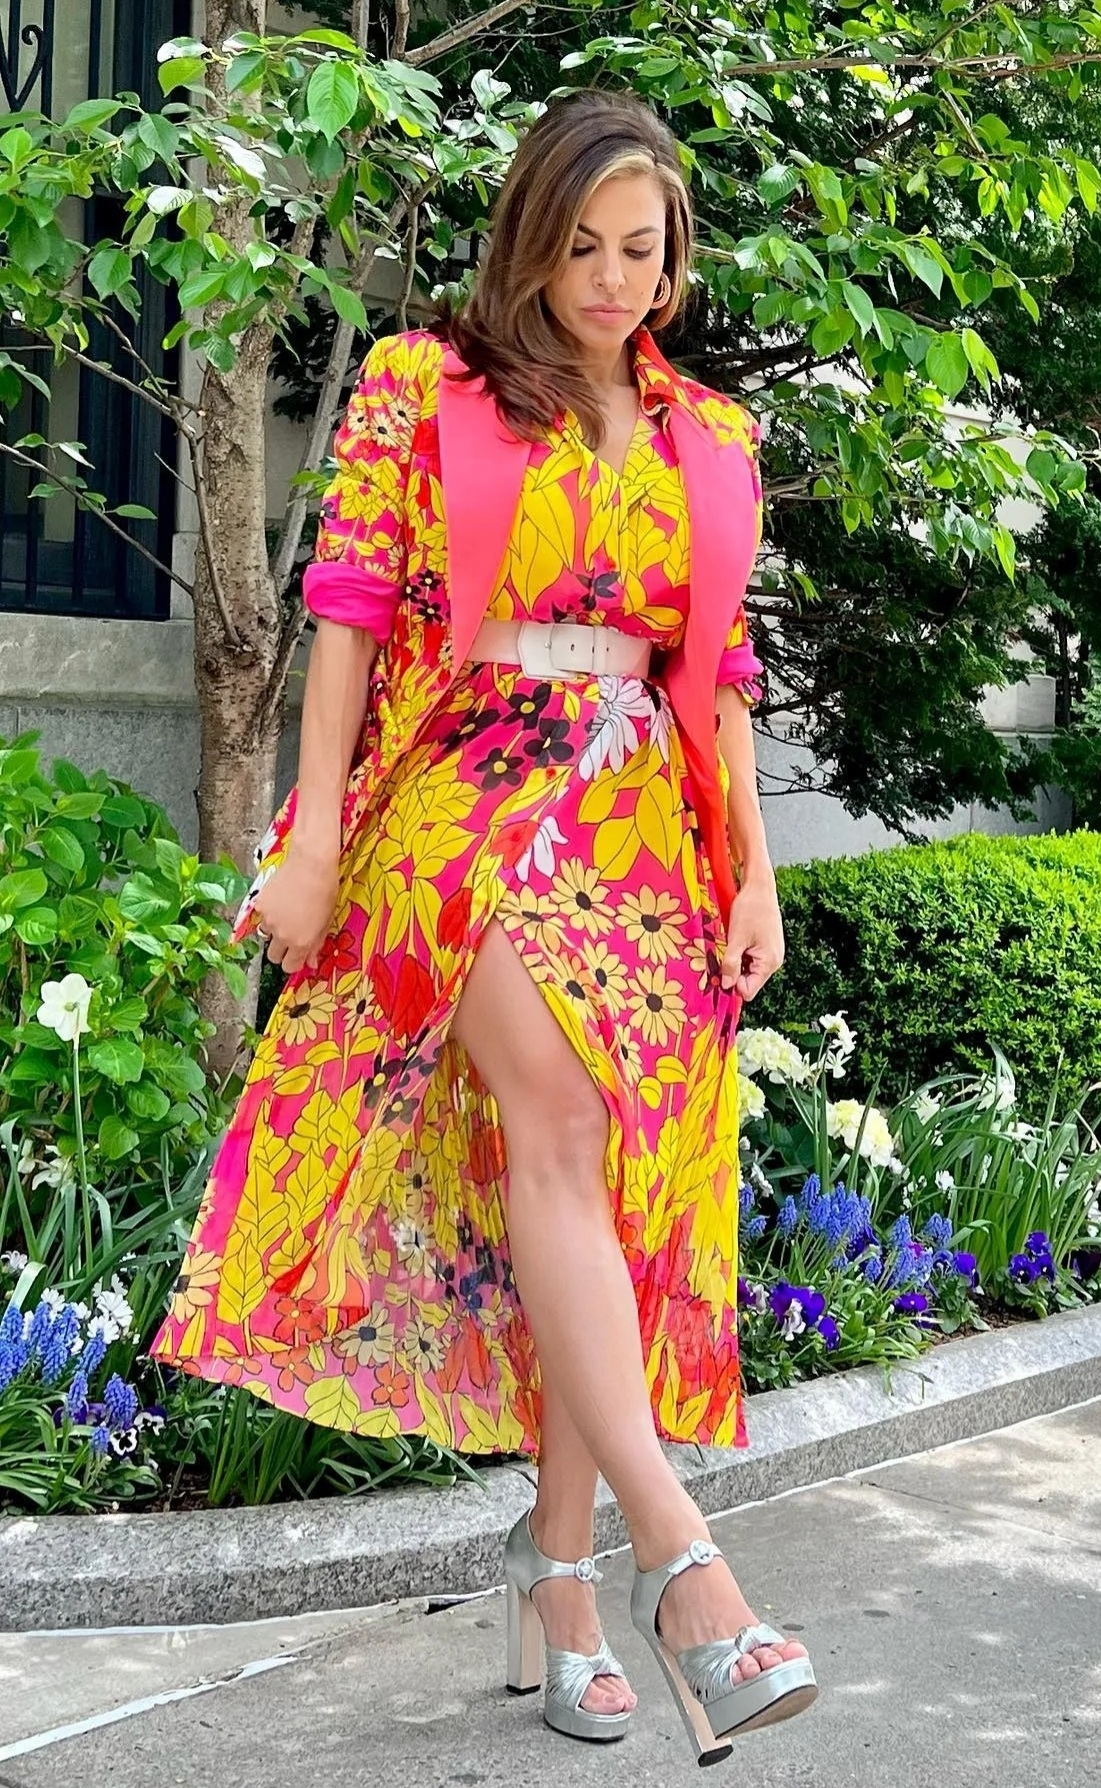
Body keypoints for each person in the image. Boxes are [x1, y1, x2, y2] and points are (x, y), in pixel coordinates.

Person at [150, 89, 816, 1764]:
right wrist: (309, 841)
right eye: (581, 244)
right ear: (530, 239)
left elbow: (721, 672)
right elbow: (352, 616)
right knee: (566, 1124)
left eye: (640, 249)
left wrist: (754, 871)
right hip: (464, 795)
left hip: (644, 823)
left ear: (673, 260)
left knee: (612, 1181)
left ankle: (560, 1576)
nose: (611, 277)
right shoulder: (422, 384)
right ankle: (688, 1572)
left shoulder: (709, 433)